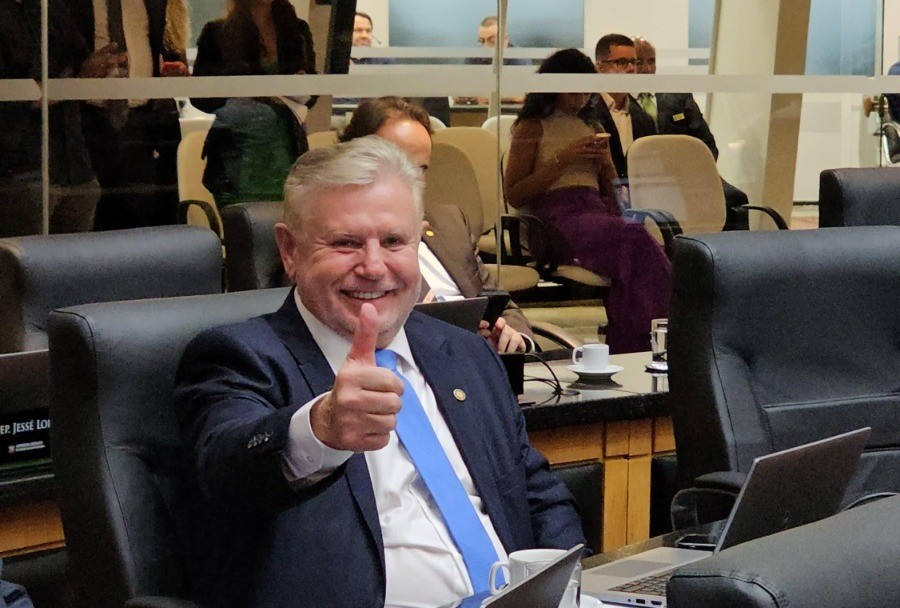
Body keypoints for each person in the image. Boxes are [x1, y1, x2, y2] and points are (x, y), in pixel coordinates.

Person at [175, 136, 584, 608]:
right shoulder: (240, 357)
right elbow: (226, 468)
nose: (373, 267)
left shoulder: (466, 352)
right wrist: (321, 430)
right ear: (289, 251)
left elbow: (538, 495)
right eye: (345, 243)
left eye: (393, 242)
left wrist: (567, 591)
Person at [505, 49, 671, 354]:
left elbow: (616, 197)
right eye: (574, 89)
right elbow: (514, 193)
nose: (581, 97)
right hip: (556, 218)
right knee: (635, 240)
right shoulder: (532, 127)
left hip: (595, 211)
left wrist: (606, 165)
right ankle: (651, 335)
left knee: (638, 247)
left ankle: (642, 336)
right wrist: (563, 159)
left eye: (586, 89)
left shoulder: (593, 128)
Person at [338, 96, 533, 353]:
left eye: (421, 168)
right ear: (355, 160)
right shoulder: (341, 239)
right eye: (399, 166)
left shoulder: (449, 222)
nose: (413, 180)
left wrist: (514, 336)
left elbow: (502, 305)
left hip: (482, 361)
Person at [70, 0, 187, 230]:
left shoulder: (153, 3)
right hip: (90, 123)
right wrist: (82, 74)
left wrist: (170, 74)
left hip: (144, 123)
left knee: (144, 217)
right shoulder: (71, 5)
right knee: (99, 220)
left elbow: (162, 48)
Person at [193, 0, 316, 208]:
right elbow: (200, 97)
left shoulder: (298, 30)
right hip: (237, 149)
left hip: (286, 145)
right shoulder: (216, 32)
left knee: (286, 215)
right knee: (242, 219)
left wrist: (299, 85)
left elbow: (313, 93)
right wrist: (242, 94)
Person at [0, 0, 99, 236]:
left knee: (78, 257)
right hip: (19, 169)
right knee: (24, 256)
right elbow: (18, 95)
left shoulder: (52, 7)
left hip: (75, 167)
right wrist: (70, 85)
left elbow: (80, 64)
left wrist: (98, 69)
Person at [631, 36, 750, 211]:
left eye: (651, 61)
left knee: (736, 198)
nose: (647, 69)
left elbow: (707, 143)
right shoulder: (621, 104)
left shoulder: (678, 96)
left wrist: (694, 174)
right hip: (648, 180)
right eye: (639, 62)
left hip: (690, 175)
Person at [579, 34, 656, 182]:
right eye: (622, 62)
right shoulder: (585, 113)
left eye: (634, 62)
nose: (632, 69)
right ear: (600, 68)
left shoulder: (644, 119)